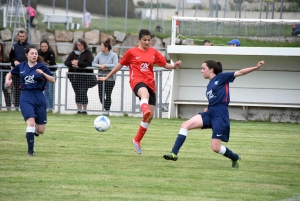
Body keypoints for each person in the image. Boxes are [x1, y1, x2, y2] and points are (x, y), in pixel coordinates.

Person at [163, 60, 265, 168]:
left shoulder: (221, 77)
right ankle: (174, 153)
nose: (201, 71)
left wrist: (255, 67)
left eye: (203, 68)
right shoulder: (210, 84)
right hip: (210, 112)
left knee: (216, 148)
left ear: (211, 69)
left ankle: (235, 157)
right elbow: (216, 98)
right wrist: (208, 107)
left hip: (220, 115)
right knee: (185, 125)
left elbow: (240, 72)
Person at [98, 29, 182, 154]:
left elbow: (164, 64)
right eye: (145, 40)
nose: (147, 42)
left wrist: (174, 66)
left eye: (149, 40)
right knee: (145, 95)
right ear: (139, 39)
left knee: (150, 117)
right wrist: (107, 77)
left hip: (151, 83)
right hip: (137, 81)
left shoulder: (153, 52)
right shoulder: (131, 52)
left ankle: (137, 140)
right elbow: (119, 65)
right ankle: (145, 110)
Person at [5, 45, 55, 156]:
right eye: (32, 53)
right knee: (31, 123)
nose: (34, 55)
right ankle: (30, 151)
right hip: (26, 96)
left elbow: (53, 80)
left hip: (39, 96)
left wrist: (43, 74)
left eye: (36, 53)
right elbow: (10, 73)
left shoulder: (42, 66)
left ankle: (33, 132)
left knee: (41, 130)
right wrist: (7, 80)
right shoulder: (21, 66)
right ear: (27, 55)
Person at [65, 38, 94, 114]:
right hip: (74, 77)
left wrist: (78, 63)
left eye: (81, 45)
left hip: (85, 77)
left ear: (84, 45)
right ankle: (79, 110)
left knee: (83, 92)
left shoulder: (88, 53)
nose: (80, 47)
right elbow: (66, 62)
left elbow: (89, 63)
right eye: (78, 45)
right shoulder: (73, 53)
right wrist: (72, 63)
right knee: (77, 93)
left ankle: (84, 110)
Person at [92, 38, 118, 112]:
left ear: (106, 48)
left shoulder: (114, 55)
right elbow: (93, 63)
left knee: (108, 94)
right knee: (101, 95)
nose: (100, 47)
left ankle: (107, 110)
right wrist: (100, 66)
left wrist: (105, 66)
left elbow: (115, 65)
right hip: (101, 78)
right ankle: (105, 108)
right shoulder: (99, 54)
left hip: (110, 78)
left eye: (101, 46)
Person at [9, 30, 31, 110]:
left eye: (23, 36)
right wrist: (14, 61)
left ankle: (27, 106)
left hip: (27, 72)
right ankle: (16, 107)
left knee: (27, 89)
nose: (22, 38)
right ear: (18, 36)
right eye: (20, 36)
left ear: (26, 36)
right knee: (17, 90)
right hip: (17, 72)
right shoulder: (14, 46)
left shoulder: (29, 46)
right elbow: (10, 57)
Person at [38, 39, 57, 111]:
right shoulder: (38, 52)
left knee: (49, 91)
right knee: (43, 91)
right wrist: (45, 62)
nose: (44, 48)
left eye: (45, 46)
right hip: (42, 75)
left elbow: (52, 63)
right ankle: (45, 107)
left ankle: (50, 108)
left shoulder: (51, 52)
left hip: (50, 74)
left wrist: (42, 62)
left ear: (48, 46)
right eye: (42, 46)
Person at [0, 40, 11, 111]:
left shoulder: (5, 56)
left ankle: (8, 107)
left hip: (4, 76)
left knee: (6, 92)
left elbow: (8, 67)